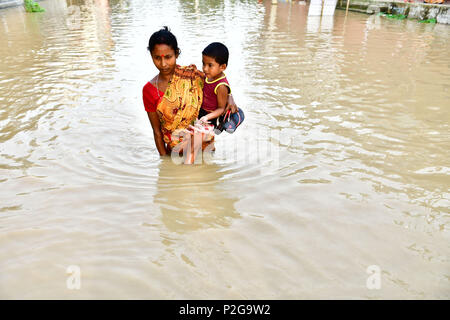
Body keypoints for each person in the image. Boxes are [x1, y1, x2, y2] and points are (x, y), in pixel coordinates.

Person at [142, 27, 237, 163]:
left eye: (168, 57)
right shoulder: (149, 90)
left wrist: (230, 96)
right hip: (176, 155)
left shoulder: (193, 77)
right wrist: (165, 164)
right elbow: (157, 132)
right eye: (157, 58)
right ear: (151, 56)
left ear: (176, 54)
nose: (163, 64)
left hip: (205, 151)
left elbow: (217, 84)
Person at [198, 42, 245, 134]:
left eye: (210, 65)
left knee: (203, 139)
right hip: (202, 111)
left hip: (211, 116)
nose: (205, 69)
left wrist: (207, 117)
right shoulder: (208, 76)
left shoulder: (221, 86)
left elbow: (221, 109)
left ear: (222, 67)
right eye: (204, 64)